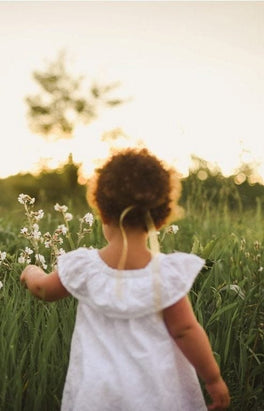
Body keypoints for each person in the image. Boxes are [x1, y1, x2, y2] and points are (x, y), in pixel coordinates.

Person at [20, 148, 230, 410]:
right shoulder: (164, 275)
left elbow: (42, 289)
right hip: (156, 395)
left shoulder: (85, 267)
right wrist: (213, 379)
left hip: (98, 395)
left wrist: (30, 272)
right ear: (160, 220)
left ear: (102, 211)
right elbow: (186, 330)